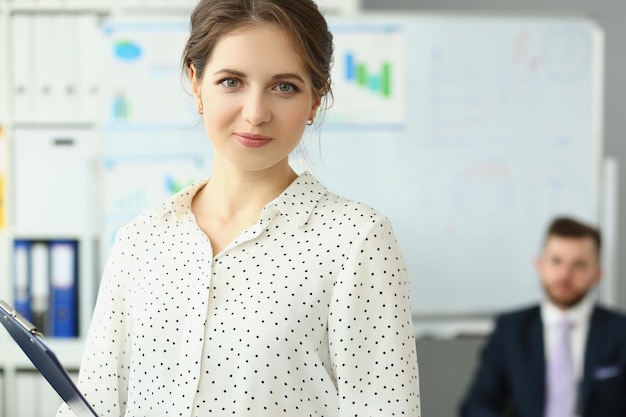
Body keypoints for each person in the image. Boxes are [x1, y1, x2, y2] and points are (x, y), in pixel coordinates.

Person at [56, 0, 421, 416]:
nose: (255, 113)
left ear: (316, 99)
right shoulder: (141, 239)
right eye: (231, 82)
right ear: (195, 83)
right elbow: (92, 406)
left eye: (284, 86)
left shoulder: (356, 239)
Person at [460, 216, 626, 417]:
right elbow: (476, 405)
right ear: (541, 265)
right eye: (556, 261)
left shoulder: (620, 332)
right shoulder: (510, 330)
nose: (564, 274)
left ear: (597, 274)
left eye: (579, 265)